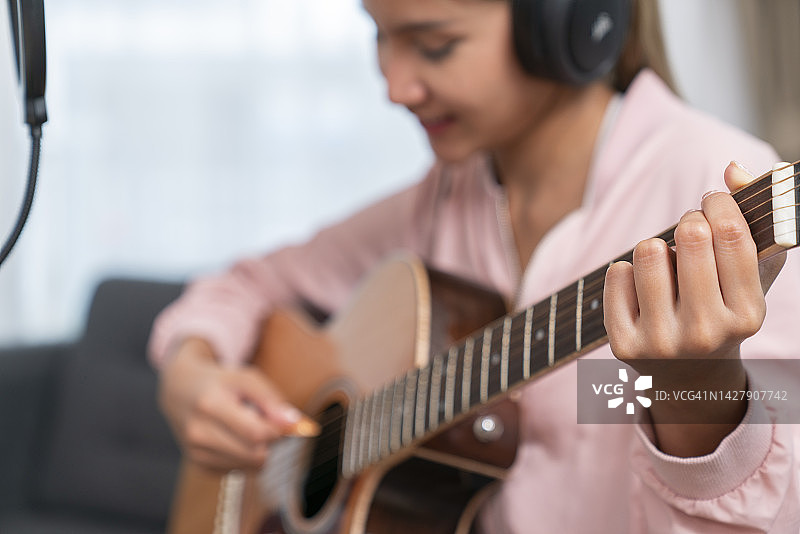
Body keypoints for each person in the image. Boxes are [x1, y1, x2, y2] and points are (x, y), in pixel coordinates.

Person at [149, 0, 800, 531]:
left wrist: (691, 390)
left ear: (564, 20)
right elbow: (247, 283)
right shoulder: (438, 200)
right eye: (379, 36)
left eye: (434, 45)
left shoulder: (719, 196)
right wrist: (191, 370)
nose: (395, 87)